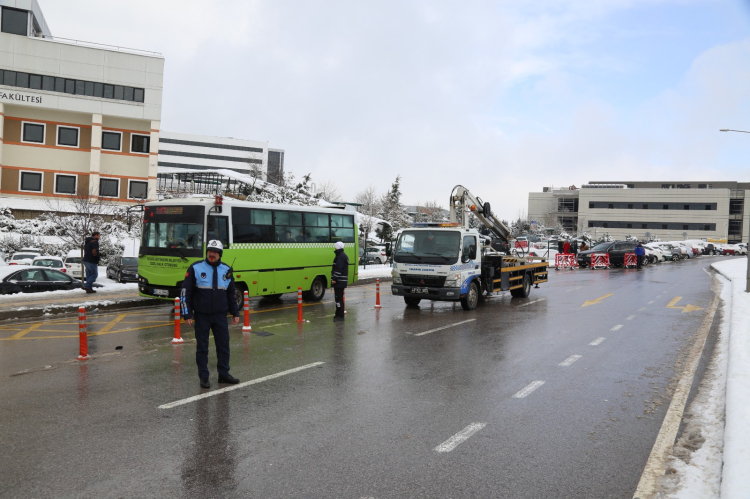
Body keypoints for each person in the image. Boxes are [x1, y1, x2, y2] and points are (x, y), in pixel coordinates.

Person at [181, 240, 240, 389]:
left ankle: (224, 374)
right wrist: (187, 313)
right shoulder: (195, 268)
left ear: (220, 254)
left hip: (220, 315)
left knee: (224, 346)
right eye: (209, 251)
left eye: (215, 252)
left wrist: (235, 312)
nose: (211, 254)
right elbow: (185, 292)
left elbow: (231, 294)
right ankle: (204, 376)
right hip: (202, 316)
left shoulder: (227, 270)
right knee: (202, 348)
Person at [331, 241, 349, 322]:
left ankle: (339, 316)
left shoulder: (340, 256)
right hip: (341, 281)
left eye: (335, 247)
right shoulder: (342, 255)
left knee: (338, 299)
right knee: (339, 299)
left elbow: (338, 269)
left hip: (339, 281)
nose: (334, 248)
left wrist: (334, 279)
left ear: (338, 247)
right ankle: (338, 314)